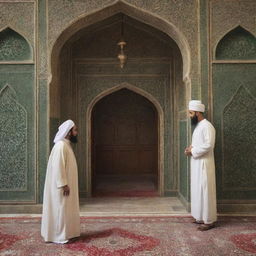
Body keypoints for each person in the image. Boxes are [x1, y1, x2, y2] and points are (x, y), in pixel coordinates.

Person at [41, 119, 80, 243]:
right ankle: (59, 236)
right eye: (75, 130)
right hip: (62, 186)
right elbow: (58, 166)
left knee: (64, 209)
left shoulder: (65, 144)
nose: (76, 133)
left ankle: (66, 233)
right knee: (60, 209)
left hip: (65, 185)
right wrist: (63, 184)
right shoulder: (61, 146)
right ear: (68, 132)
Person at [184, 100, 217, 231]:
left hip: (204, 163)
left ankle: (209, 220)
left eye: (191, 113)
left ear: (197, 113)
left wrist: (193, 151)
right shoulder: (198, 126)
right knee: (198, 190)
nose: (189, 116)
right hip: (197, 162)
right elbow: (196, 145)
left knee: (205, 191)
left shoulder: (207, 126)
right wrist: (189, 149)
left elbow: (209, 145)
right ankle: (199, 217)